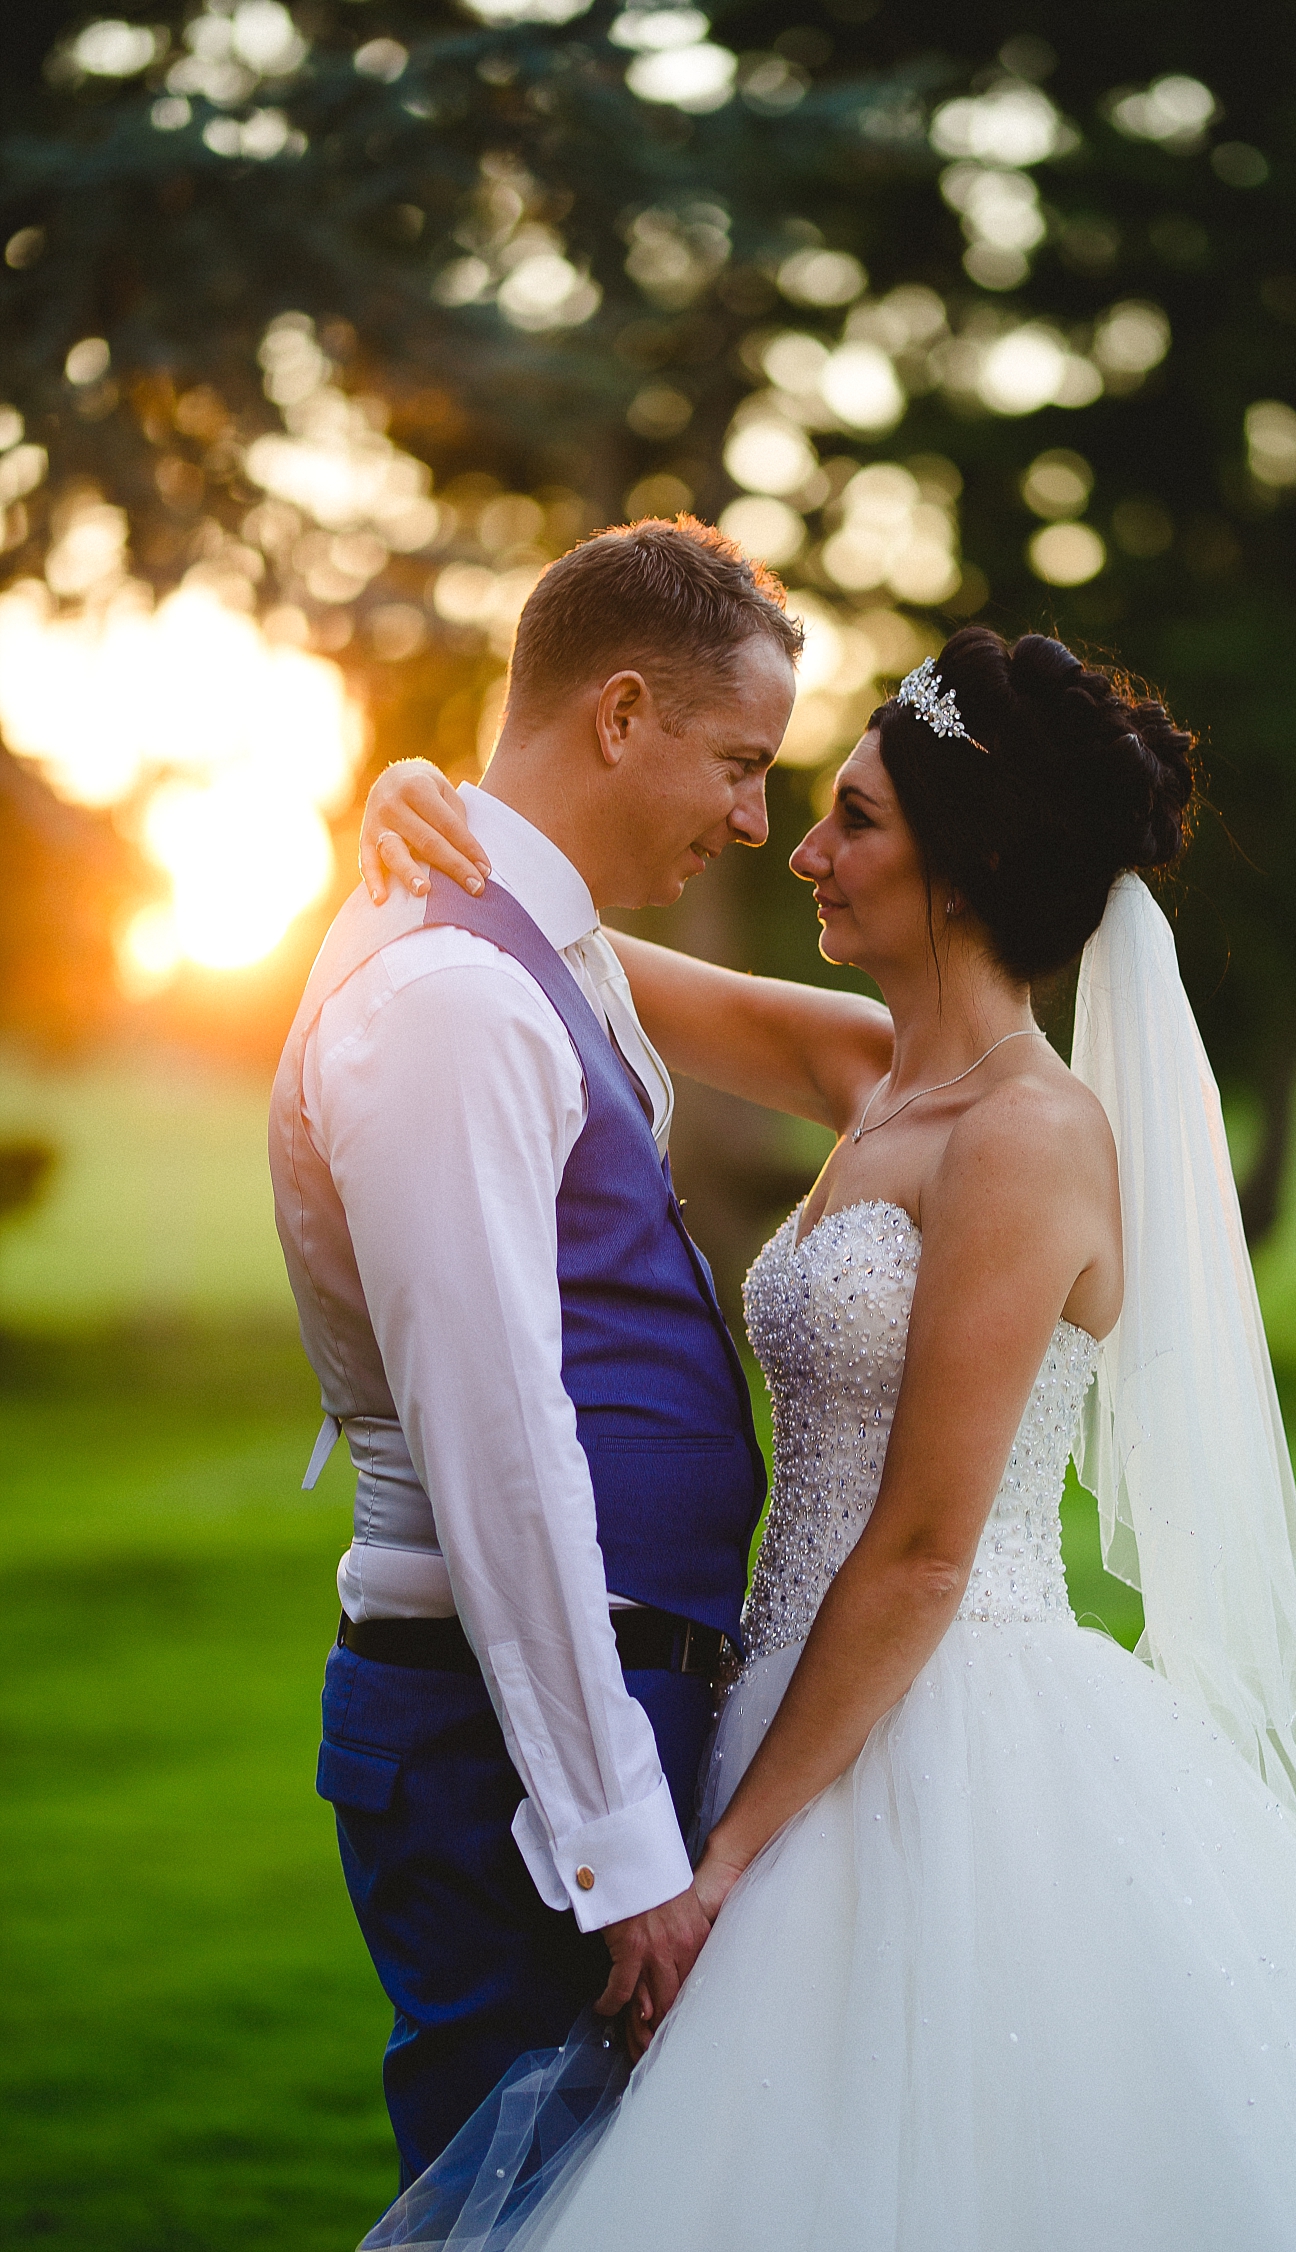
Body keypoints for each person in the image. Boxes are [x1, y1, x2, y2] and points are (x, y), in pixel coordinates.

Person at [353, 624, 1296, 2250]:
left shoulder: (1031, 1141)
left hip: (947, 1731)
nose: (801, 851)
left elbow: (923, 1547)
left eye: (857, 821)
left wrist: (723, 1863)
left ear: (969, 867)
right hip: (787, 1698)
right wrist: (421, 804)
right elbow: (568, 952)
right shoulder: (868, 1074)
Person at [267, 518, 802, 2184]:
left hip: (586, 1716)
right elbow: (502, 1451)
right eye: (739, 761)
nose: (756, 819)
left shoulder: (534, 945)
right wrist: (620, 1853)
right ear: (623, 712)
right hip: (504, 1753)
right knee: (518, 2210)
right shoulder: (449, 999)